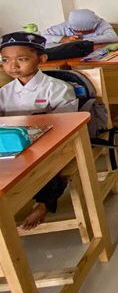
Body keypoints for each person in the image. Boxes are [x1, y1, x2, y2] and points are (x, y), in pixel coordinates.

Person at [0, 32, 78, 229]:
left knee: (45, 163)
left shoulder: (58, 88)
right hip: (14, 146)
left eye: (22, 59)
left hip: (51, 143)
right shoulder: (4, 93)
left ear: (42, 59)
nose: (13, 66)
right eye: (6, 60)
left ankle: (44, 203)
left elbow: (65, 125)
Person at [44, 9, 118, 45]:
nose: (81, 34)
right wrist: (63, 39)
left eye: (87, 32)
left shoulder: (99, 21)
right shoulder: (66, 25)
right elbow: (42, 37)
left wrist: (83, 40)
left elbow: (113, 37)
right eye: (78, 32)